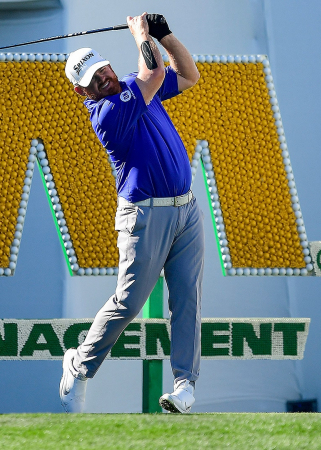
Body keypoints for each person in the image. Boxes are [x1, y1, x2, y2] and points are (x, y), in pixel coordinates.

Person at [59, 13, 203, 413]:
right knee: (128, 302)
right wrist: (141, 34)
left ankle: (184, 385)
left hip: (185, 210)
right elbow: (154, 74)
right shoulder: (106, 112)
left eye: (100, 70)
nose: (101, 79)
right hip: (144, 216)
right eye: (91, 80)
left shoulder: (133, 85)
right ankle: (80, 364)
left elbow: (188, 75)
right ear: (80, 91)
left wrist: (165, 35)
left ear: (106, 64)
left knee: (187, 298)